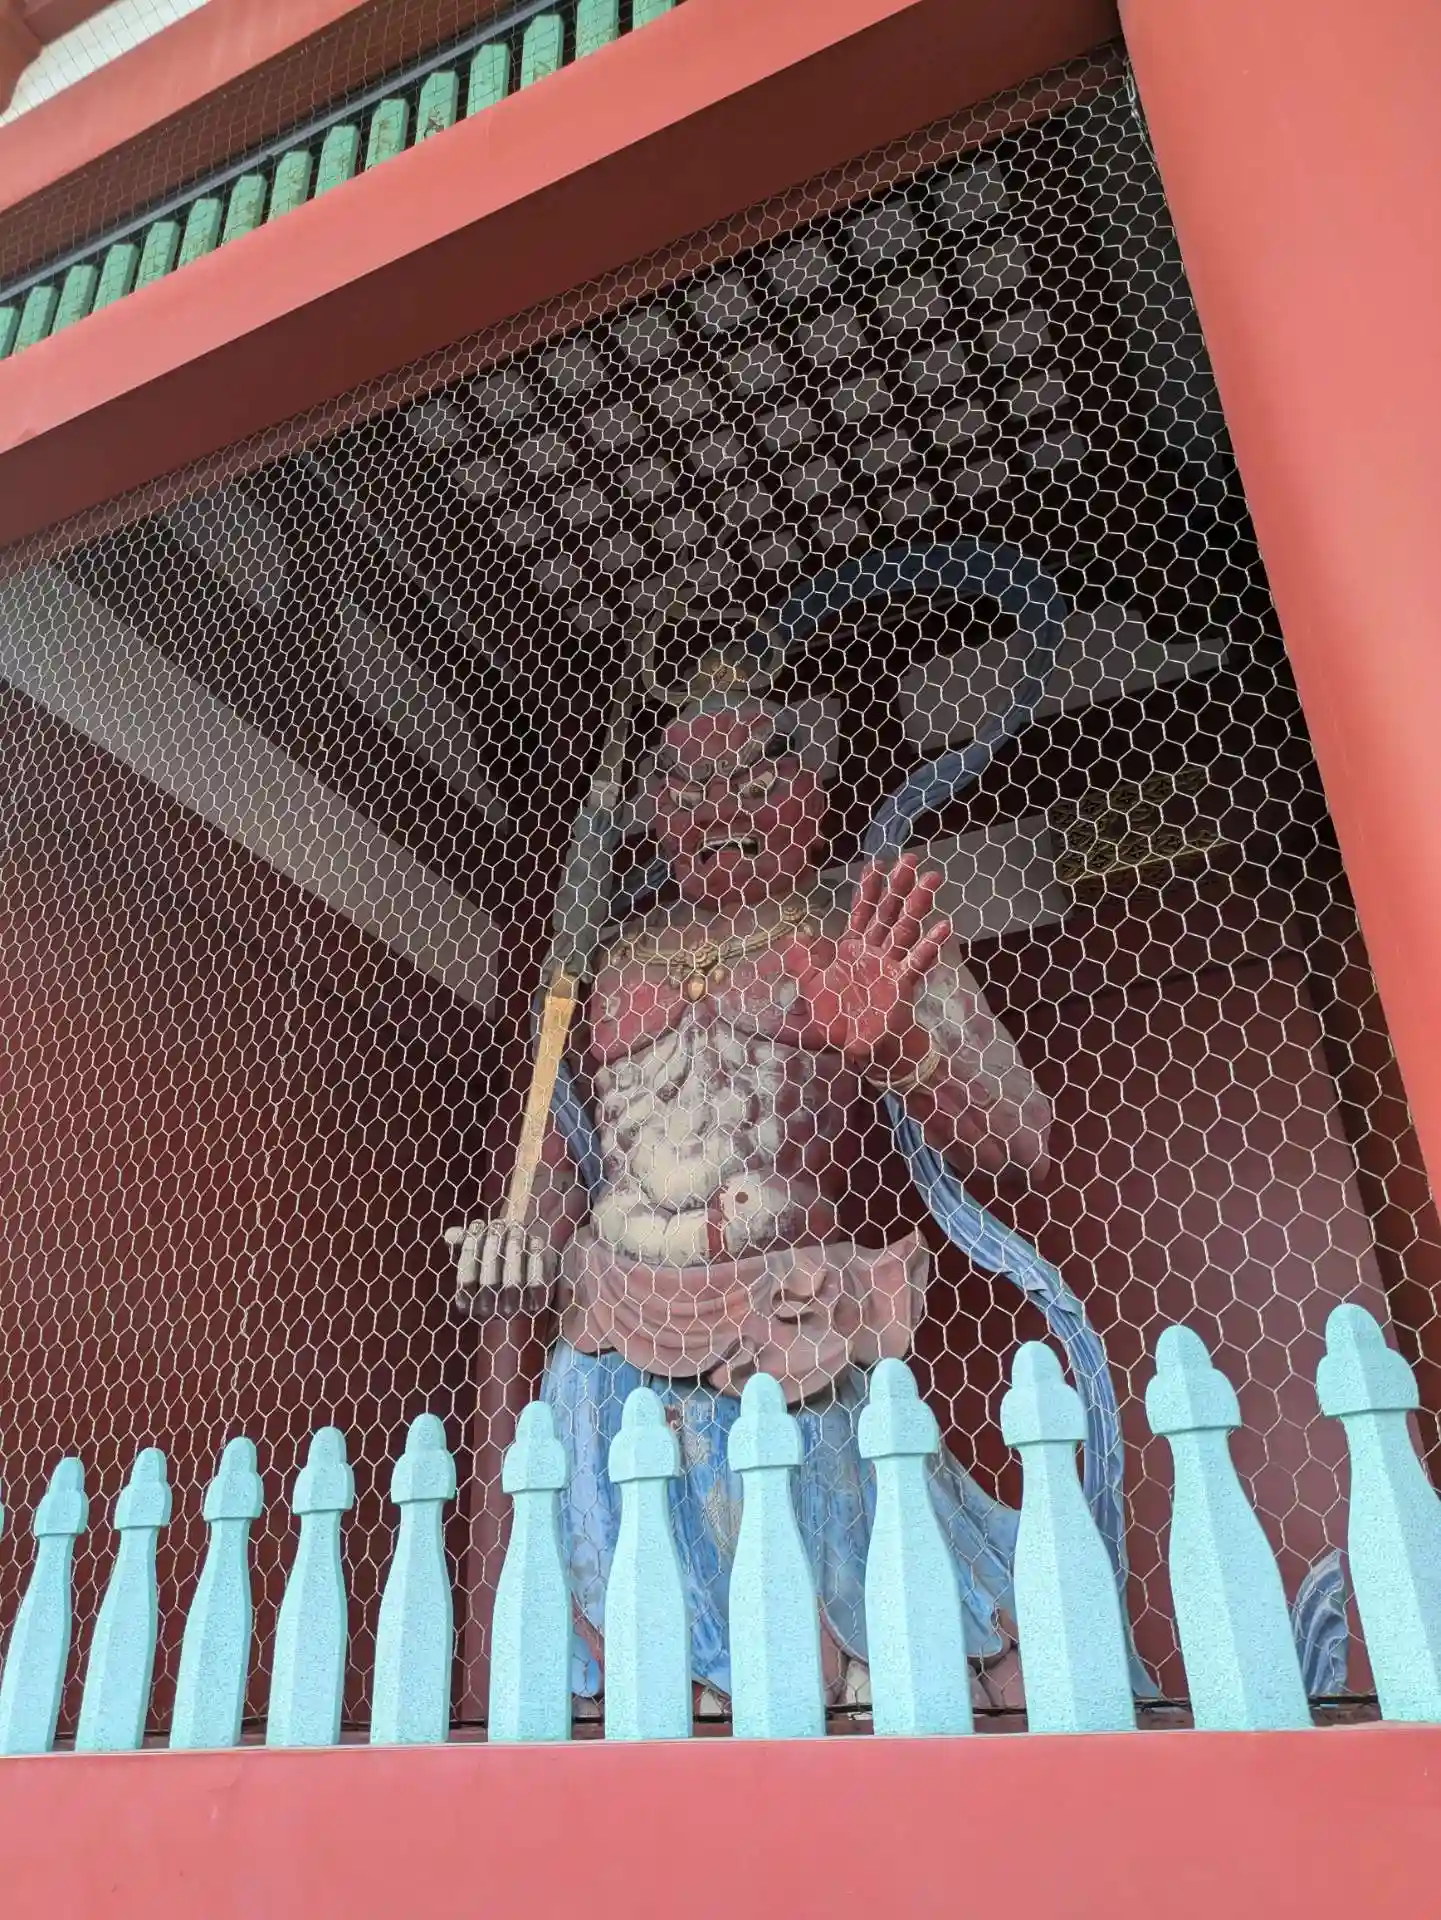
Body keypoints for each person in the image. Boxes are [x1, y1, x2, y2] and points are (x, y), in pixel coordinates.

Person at [450, 653, 1052, 1711]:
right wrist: (523, 1233)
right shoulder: (606, 960)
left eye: (753, 775)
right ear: (652, 810)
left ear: (809, 791)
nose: (720, 808)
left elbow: (1022, 1138)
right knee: (628, 1630)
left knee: (837, 1630)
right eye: (688, 784)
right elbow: (560, 1154)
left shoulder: (859, 934)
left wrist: (901, 1046)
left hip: (786, 1329)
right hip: (609, 1328)